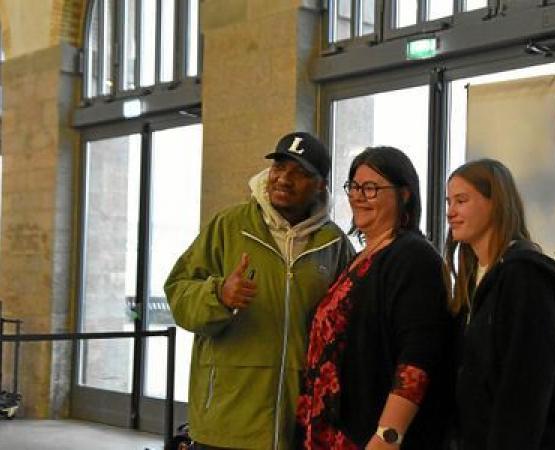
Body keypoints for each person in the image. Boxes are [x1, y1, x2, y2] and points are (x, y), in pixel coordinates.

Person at [164, 131, 355, 450]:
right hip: (227, 420)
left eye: (300, 173)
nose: (284, 179)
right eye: (279, 167)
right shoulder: (229, 226)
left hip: (298, 421)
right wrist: (218, 295)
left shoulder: (333, 245)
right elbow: (179, 292)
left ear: (320, 185)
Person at [297, 146, 454, 449]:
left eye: (371, 188)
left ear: (404, 194)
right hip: (329, 433)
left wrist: (386, 438)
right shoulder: (359, 258)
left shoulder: (413, 256)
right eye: (354, 186)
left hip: (373, 439)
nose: (358, 196)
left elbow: (418, 359)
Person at [445, 158, 555, 450]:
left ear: (495, 203)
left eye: (461, 201)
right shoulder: (473, 278)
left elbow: (526, 387)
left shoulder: (525, 276)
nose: (450, 212)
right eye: (448, 201)